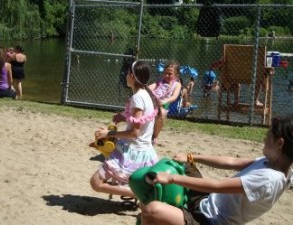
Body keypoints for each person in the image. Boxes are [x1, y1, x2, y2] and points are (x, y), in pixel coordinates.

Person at [140, 115, 293, 225]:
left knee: (151, 210)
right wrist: (192, 157)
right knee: (182, 165)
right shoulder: (272, 163)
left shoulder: (268, 180)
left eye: (268, 135)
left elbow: (217, 185)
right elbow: (232, 162)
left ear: (279, 143)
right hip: (209, 201)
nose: (264, 139)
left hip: (211, 220)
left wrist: (171, 178)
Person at [90, 61, 160, 198]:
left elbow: (134, 133)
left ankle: (141, 195)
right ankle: (139, 193)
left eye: (128, 73)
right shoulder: (147, 93)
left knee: (95, 183)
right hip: (145, 150)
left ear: (133, 76)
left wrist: (109, 133)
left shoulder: (138, 98)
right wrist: (123, 117)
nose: (125, 75)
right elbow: (142, 119)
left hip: (133, 152)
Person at [148, 60, 182, 143]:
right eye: (165, 73)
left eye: (170, 74)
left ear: (176, 75)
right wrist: (145, 90)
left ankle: (155, 135)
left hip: (163, 104)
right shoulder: (160, 81)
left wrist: (165, 101)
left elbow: (174, 96)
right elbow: (150, 87)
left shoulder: (177, 84)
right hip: (153, 101)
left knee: (162, 113)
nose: (166, 75)